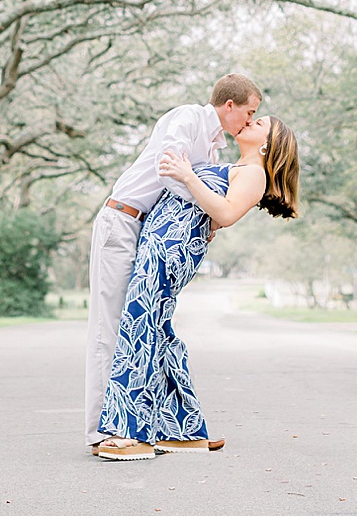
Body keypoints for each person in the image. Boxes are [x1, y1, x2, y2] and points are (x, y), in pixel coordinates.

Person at [92, 113, 300, 460]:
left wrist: (188, 176)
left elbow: (228, 213)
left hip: (170, 250)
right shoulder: (237, 167)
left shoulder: (254, 174)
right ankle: (183, 430)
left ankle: (133, 434)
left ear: (268, 144)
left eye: (259, 122)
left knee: (140, 328)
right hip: (161, 244)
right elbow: (212, 212)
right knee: (156, 327)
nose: (250, 123)